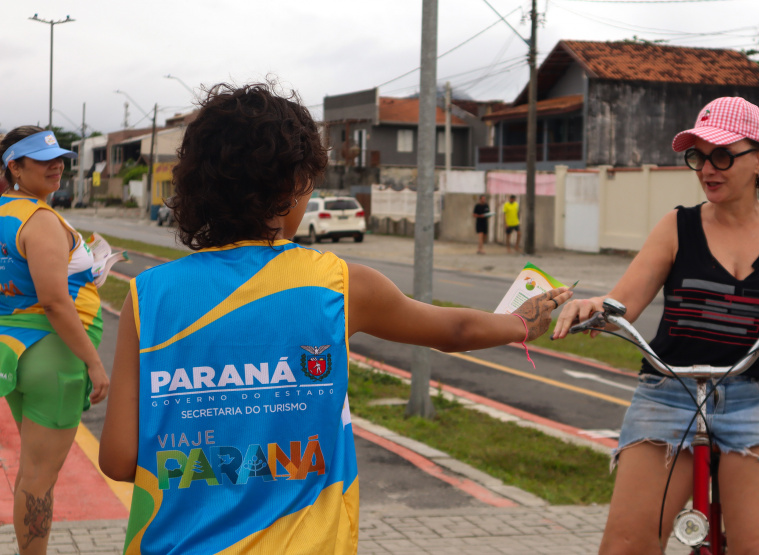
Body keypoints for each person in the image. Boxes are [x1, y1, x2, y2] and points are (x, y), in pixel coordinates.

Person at [97, 82, 572, 555]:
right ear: (293, 184)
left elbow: (119, 460)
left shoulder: (148, 295)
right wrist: (523, 323)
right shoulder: (339, 284)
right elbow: (454, 329)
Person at [552, 97, 759, 555]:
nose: (708, 168)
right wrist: (594, 307)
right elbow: (621, 303)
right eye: (698, 156)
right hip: (669, 393)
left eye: (723, 155)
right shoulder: (677, 226)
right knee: (626, 545)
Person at [0, 127, 109, 554]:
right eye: (41, 159)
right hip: (54, 356)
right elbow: (55, 301)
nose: (56, 165)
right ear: (15, 167)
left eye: (59, 157)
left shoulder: (6, 213)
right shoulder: (39, 219)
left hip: (17, 348)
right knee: (40, 478)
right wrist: (94, 364)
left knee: (31, 473)